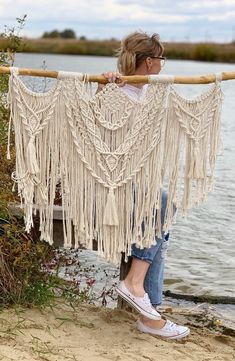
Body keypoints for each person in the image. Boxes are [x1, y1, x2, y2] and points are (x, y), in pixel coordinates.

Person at [97, 31, 190, 340]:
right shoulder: (116, 92)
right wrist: (102, 88)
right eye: (161, 59)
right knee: (160, 204)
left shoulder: (150, 95)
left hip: (132, 183)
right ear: (150, 62)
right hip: (110, 186)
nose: (163, 65)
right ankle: (137, 290)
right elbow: (94, 129)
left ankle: (149, 313)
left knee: (163, 209)